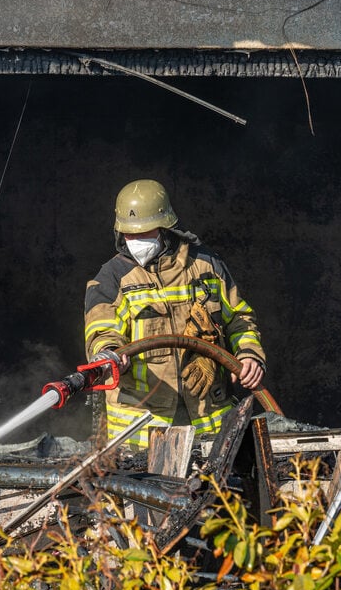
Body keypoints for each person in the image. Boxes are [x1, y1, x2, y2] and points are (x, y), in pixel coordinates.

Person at [84, 179, 266, 448]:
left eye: (143, 233)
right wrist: (111, 353)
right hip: (141, 435)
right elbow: (101, 331)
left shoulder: (207, 266)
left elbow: (240, 319)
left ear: (165, 228)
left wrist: (249, 355)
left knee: (219, 489)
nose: (134, 241)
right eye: (129, 234)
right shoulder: (111, 279)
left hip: (210, 424)